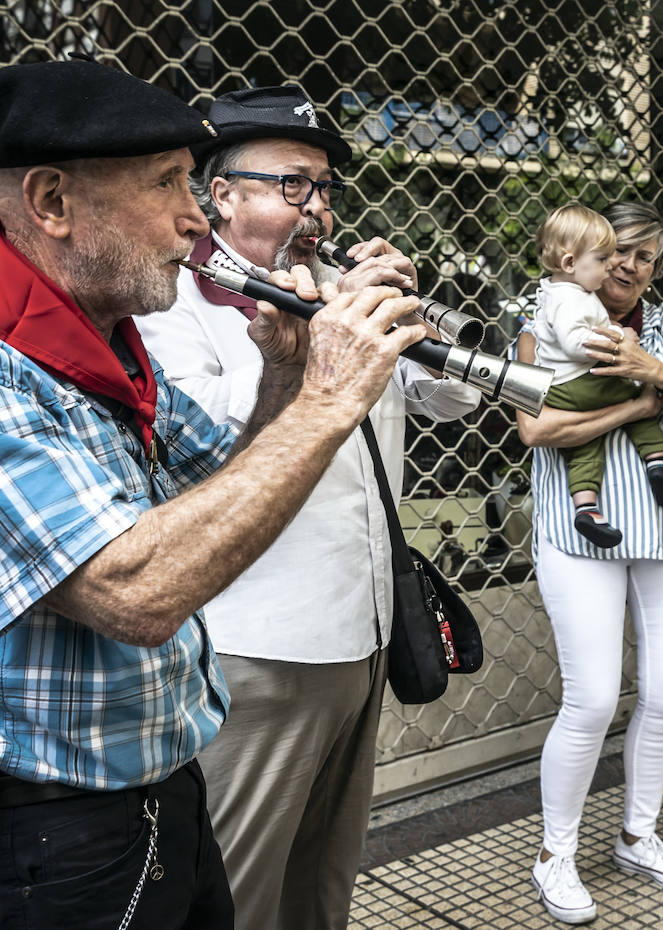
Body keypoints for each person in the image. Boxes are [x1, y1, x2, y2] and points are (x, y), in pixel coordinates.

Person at [0, 59, 426, 929]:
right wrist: (331, 397)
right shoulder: (13, 366)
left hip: (167, 777)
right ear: (51, 204)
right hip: (58, 832)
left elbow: (214, 471)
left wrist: (284, 372)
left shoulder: (103, 340)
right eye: (168, 185)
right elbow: (135, 590)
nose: (193, 218)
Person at [133, 85, 481, 930]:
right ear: (222, 195)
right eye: (293, 183)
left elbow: (453, 404)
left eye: (323, 188)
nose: (315, 206)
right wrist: (314, 349)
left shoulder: (342, 289)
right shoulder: (171, 303)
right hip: (259, 645)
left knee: (322, 883)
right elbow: (201, 451)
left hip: (360, 633)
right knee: (236, 889)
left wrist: (412, 311)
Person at [513, 201, 663, 924]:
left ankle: (639, 835)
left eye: (647, 257)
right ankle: (555, 856)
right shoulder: (541, 317)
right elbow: (535, 426)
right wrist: (632, 412)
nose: (630, 266)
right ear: (591, 252)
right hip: (580, 536)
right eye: (621, 250)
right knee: (594, 699)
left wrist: (655, 374)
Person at [530, 202, 663, 549]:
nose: (621, 264)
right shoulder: (571, 299)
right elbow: (575, 342)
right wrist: (620, 341)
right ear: (571, 263)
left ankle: (587, 509)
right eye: (612, 254)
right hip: (578, 382)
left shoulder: (561, 295)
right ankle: (657, 464)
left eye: (644, 257)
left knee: (585, 447)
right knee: (636, 397)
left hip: (662, 538)